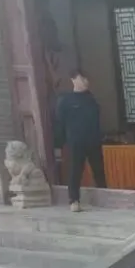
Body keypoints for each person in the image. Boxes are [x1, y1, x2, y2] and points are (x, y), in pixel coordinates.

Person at [54, 69, 106, 212]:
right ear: (73, 80)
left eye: (86, 79)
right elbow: (60, 124)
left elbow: (96, 121)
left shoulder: (91, 99)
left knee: (99, 170)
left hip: (93, 141)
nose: (85, 82)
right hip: (75, 142)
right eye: (82, 79)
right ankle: (74, 200)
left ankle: (105, 196)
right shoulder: (66, 100)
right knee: (75, 171)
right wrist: (59, 144)